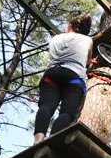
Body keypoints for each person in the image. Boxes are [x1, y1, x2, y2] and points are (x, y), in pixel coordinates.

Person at [34, 15, 94, 144]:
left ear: (69, 26)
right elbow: (88, 61)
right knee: (67, 112)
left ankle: (38, 141)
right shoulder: (88, 40)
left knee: (46, 106)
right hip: (74, 77)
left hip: (52, 74)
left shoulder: (56, 38)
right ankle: (52, 142)